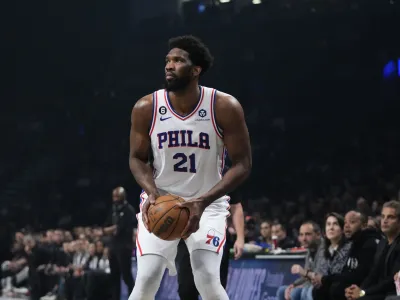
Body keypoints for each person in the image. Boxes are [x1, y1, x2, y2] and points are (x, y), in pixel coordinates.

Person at [128, 35, 252, 300]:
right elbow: (137, 158)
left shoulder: (224, 107)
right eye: (167, 60)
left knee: (207, 280)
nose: (169, 66)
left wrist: (203, 201)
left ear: (196, 70)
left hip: (207, 206)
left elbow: (243, 164)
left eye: (178, 61)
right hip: (160, 203)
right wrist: (152, 192)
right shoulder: (146, 107)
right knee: (145, 282)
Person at [176, 187, 245, 300]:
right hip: (187, 232)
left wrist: (240, 238)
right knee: (186, 288)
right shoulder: (183, 173)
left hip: (215, 232)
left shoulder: (224, 173)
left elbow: (236, 206)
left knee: (214, 287)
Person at [345, 201, 400, 300]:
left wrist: (363, 292)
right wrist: (359, 289)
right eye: (383, 216)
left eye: (390, 217)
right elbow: (373, 274)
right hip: (380, 292)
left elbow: (392, 281)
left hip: (393, 293)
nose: (385, 220)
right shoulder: (382, 243)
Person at [103, 187, 136, 300]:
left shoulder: (129, 210)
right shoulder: (113, 210)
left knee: (126, 276)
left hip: (124, 248)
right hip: (113, 247)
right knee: (114, 277)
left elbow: (119, 229)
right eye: (114, 196)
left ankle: (134, 297)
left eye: (117, 196)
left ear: (123, 196)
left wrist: (111, 230)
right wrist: (110, 231)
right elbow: (106, 227)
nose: (115, 199)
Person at [277, 221, 323, 300]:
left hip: (320, 285)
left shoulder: (323, 249)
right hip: (309, 283)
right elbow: (306, 276)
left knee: (296, 292)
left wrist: (299, 285)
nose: (304, 239)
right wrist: (293, 285)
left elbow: (317, 277)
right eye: (301, 235)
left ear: (318, 235)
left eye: (308, 234)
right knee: (282, 290)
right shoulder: (309, 249)